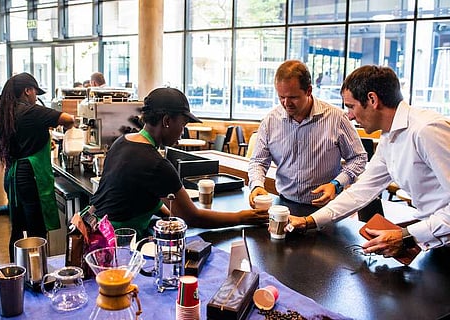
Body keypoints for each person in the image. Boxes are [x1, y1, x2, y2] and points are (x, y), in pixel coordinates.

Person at [286, 65, 450, 258]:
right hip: (436, 240)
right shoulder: (389, 137)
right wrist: (309, 221)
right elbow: (362, 190)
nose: (349, 115)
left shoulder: (426, 129)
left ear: (372, 99)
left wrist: (407, 235)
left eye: (351, 106)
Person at [90, 87, 268, 237]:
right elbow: (193, 218)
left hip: (94, 226)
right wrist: (242, 217)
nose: (182, 132)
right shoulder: (156, 164)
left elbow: (138, 193)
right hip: (116, 239)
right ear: (167, 121)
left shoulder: (123, 141)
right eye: (183, 125)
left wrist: (171, 213)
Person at [248, 60, 367, 208]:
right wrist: (257, 185)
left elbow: (359, 158)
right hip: (285, 203)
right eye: (281, 97)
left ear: (309, 91)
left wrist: (337, 184)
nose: (286, 103)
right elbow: (258, 161)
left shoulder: (337, 118)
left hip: (327, 207)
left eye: (293, 97)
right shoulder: (270, 121)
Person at [0, 72, 75, 262]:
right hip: (30, 176)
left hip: (13, 175)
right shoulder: (32, 111)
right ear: (27, 91)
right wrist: (71, 130)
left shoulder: (6, 112)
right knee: (36, 230)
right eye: (35, 92)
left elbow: (23, 139)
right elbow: (68, 119)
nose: (36, 97)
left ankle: (18, 272)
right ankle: (37, 276)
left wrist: (42, 138)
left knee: (18, 227)